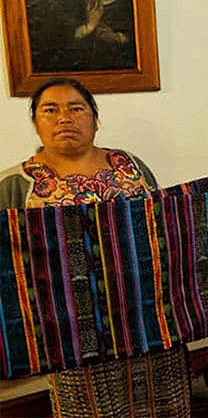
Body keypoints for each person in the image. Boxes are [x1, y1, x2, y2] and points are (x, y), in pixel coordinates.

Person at [0, 78, 188, 417]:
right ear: (35, 122)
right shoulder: (15, 185)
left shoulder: (130, 167)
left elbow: (162, 229)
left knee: (162, 405)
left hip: (146, 322)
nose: (64, 118)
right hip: (72, 334)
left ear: (95, 119)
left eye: (76, 109)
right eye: (50, 110)